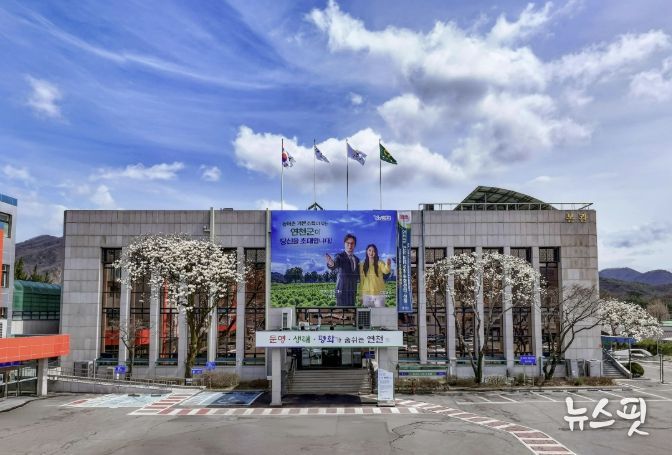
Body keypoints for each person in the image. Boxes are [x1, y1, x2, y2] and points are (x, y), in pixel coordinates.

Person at [325, 233, 360, 307]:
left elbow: (359, 275)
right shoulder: (339, 257)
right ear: (344, 244)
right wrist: (331, 264)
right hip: (341, 293)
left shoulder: (357, 259)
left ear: (355, 245)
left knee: (351, 312)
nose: (350, 245)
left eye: (352, 243)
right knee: (341, 312)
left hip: (352, 293)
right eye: (348, 243)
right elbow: (334, 264)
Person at [359, 244, 391, 308]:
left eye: (373, 251)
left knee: (380, 313)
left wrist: (388, 264)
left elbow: (386, 271)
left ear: (376, 253)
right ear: (367, 251)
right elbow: (362, 281)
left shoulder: (380, 263)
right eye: (369, 250)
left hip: (379, 294)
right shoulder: (362, 265)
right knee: (368, 313)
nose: (371, 253)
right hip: (366, 295)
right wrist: (361, 296)